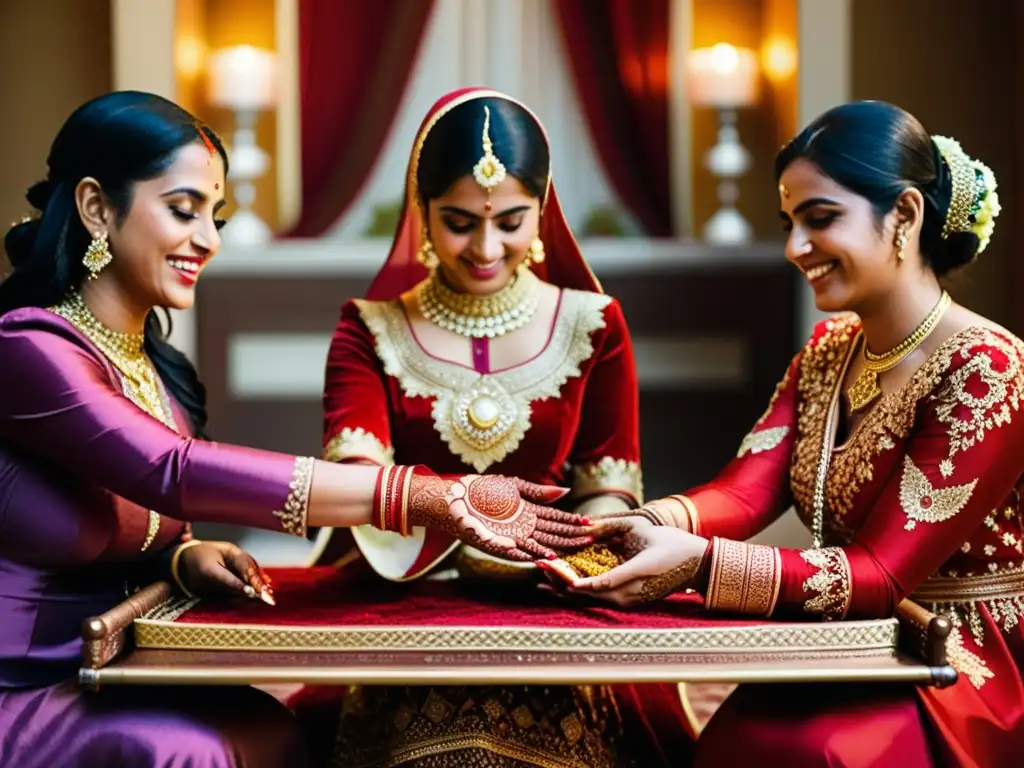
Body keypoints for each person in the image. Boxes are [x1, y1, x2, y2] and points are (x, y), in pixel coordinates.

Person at [0, 91, 592, 768]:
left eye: (213, 216)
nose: (208, 240)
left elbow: (137, 516)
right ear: (97, 209)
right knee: (195, 753)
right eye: (184, 210)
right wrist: (426, 497)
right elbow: (171, 470)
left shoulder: (155, 370)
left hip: (111, 665)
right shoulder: (28, 350)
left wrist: (180, 558)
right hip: (24, 685)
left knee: (273, 729)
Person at [566, 101, 1024, 767]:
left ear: (905, 215)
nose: (794, 247)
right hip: (852, 637)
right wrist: (647, 522)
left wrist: (696, 564)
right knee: (724, 741)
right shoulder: (830, 352)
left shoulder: (988, 370)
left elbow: (879, 575)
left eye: (821, 218)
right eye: (790, 223)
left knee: (808, 753)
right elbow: (745, 492)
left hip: (959, 658)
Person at [293, 88, 684, 767]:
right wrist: (457, 529)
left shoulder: (593, 324)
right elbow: (358, 486)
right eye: (458, 221)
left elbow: (606, 486)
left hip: (549, 595)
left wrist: (581, 562)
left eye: (511, 221)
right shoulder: (371, 329)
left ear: (542, 209)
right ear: (421, 212)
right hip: (409, 591)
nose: (485, 247)